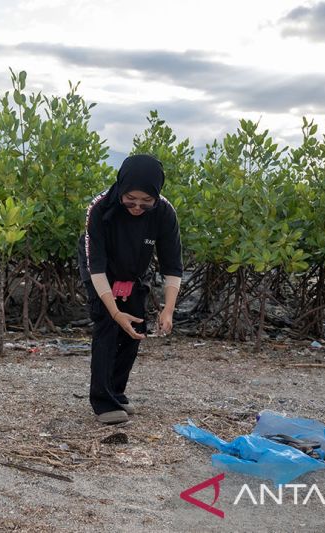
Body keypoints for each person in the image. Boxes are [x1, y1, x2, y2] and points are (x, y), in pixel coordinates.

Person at [78, 154, 183, 424]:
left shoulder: (164, 212)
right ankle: (102, 402)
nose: (137, 207)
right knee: (107, 325)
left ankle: (117, 392)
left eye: (146, 202)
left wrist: (169, 310)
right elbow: (96, 267)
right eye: (130, 200)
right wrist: (114, 311)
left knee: (135, 326)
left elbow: (172, 265)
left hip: (133, 269)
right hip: (99, 268)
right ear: (121, 187)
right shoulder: (99, 208)